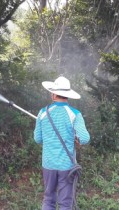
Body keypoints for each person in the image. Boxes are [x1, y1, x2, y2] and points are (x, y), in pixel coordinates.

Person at [34, 76, 90, 210]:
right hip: (66, 166)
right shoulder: (75, 114)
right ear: (67, 95)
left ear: (53, 94)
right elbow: (85, 138)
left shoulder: (43, 113)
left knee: (48, 200)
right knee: (65, 203)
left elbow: (38, 139)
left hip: (48, 164)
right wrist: (76, 137)